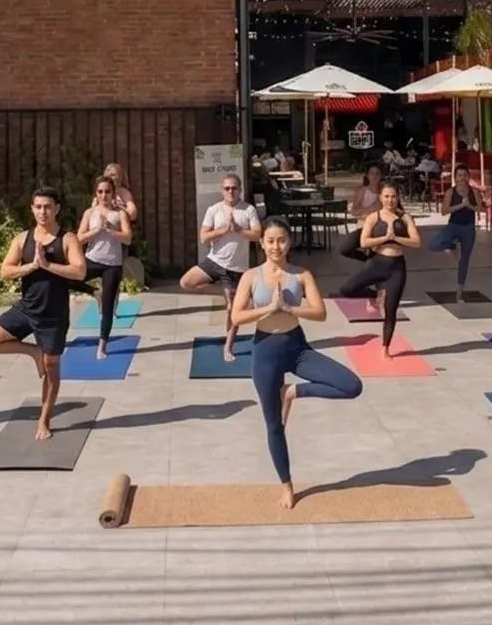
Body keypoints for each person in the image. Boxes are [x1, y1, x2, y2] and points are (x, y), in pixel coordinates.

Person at [230, 216, 363, 509]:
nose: (276, 246)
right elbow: (236, 317)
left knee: (352, 385)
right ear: (262, 243)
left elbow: (320, 312)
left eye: (281, 240)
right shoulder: (251, 277)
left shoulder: (301, 274)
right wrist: (268, 308)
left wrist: (289, 307)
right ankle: (287, 485)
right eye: (270, 240)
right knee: (274, 425)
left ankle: (293, 391)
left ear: (289, 242)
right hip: (265, 352)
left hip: (296, 347)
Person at [0, 187, 87, 441]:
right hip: (26, 308)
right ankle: (32, 351)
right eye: (38, 207)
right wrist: (32, 266)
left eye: (47, 207)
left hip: (54, 314)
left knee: (51, 367)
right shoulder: (22, 238)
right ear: (32, 208)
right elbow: (5, 271)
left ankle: (44, 419)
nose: (42, 212)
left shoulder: (67, 238)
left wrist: (48, 265)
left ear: (57, 208)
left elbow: (79, 271)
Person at [179, 175, 261, 362]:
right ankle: (219, 288)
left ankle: (228, 347)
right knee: (185, 282)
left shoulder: (248, 210)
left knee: (232, 310)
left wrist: (239, 229)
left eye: (234, 188)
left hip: (236, 268)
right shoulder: (214, 210)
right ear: (221, 190)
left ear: (240, 189)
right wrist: (223, 230)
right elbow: (203, 237)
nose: (230, 191)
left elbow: (257, 235)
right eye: (227, 188)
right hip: (214, 262)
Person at [337, 182, 420, 357]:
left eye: (393, 196)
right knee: (346, 289)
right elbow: (364, 242)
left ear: (398, 198)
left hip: (396, 267)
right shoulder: (374, 217)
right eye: (387, 196)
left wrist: (396, 238)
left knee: (391, 310)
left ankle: (385, 348)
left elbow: (416, 242)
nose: (390, 200)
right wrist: (384, 238)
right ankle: (375, 295)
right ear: (381, 198)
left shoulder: (405, 218)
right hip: (377, 263)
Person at [77, 176, 134, 359]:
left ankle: (102, 346)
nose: (104, 195)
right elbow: (79, 238)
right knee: (66, 279)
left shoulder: (120, 213)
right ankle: (94, 292)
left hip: (112, 264)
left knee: (108, 307)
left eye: (107, 191)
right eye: (100, 191)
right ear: (96, 193)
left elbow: (128, 238)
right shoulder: (89, 213)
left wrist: (110, 230)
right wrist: (97, 230)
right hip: (92, 259)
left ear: (113, 193)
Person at [426, 163, 485, 301]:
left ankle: (459, 292)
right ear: (455, 178)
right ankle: (451, 245)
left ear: (468, 177)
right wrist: (460, 205)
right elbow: (444, 211)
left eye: (465, 175)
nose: (462, 178)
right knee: (433, 245)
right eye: (459, 175)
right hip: (453, 226)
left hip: (468, 228)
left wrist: (468, 205)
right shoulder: (450, 192)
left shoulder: (474, 192)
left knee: (464, 261)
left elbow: (480, 209)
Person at [336, 165, 383, 263]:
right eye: (372, 173)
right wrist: (368, 211)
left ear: (381, 176)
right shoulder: (362, 191)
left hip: (381, 227)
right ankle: (367, 260)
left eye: (377, 173)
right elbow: (354, 211)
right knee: (345, 248)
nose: (374, 176)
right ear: (368, 176)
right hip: (364, 226)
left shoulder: (384, 191)